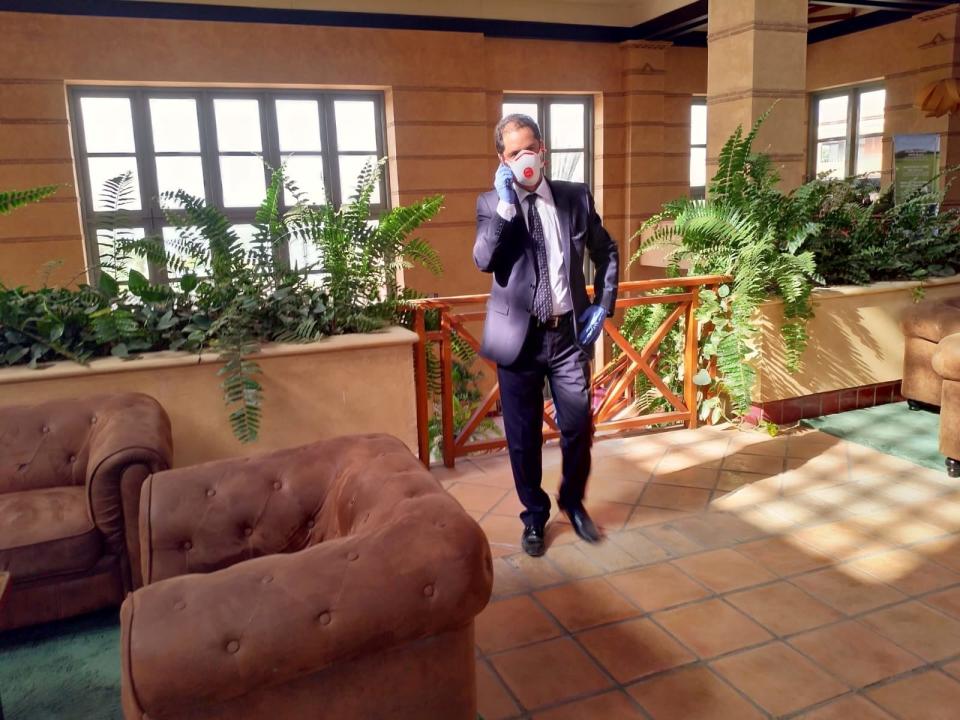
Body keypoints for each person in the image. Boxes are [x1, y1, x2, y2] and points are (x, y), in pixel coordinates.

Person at [473, 113, 619, 557]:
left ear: (544, 150)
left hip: (566, 338)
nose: (524, 158)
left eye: (529, 148)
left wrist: (602, 305)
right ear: (502, 160)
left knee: (578, 425)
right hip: (519, 342)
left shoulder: (575, 197)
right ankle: (534, 516)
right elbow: (483, 259)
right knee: (523, 436)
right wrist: (504, 206)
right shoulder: (490, 203)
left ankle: (571, 503)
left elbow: (605, 249)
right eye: (514, 153)